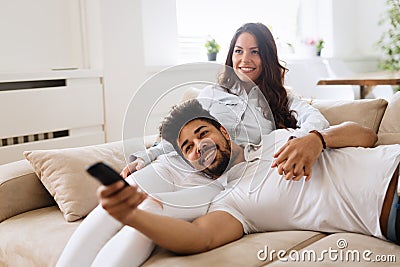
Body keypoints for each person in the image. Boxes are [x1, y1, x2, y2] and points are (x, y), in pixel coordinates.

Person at [57, 22, 335, 266]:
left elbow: (318, 124)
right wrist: (146, 158)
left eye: (255, 51)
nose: (245, 59)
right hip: (172, 166)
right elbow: (179, 135)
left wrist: (306, 141)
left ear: (268, 56)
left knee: (146, 213)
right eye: (238, 51)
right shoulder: (212, 93)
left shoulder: (283, 101)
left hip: (211, 184)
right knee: (117, 201)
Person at [98, 99, 400, 257]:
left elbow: (367, 136)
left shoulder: (280, 137)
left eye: (202, 133)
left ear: (223, 133)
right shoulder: (231, 202)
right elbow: (197, 239)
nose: (199, 146)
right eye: (188, 147)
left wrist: (317, 139)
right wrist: (131, 216)